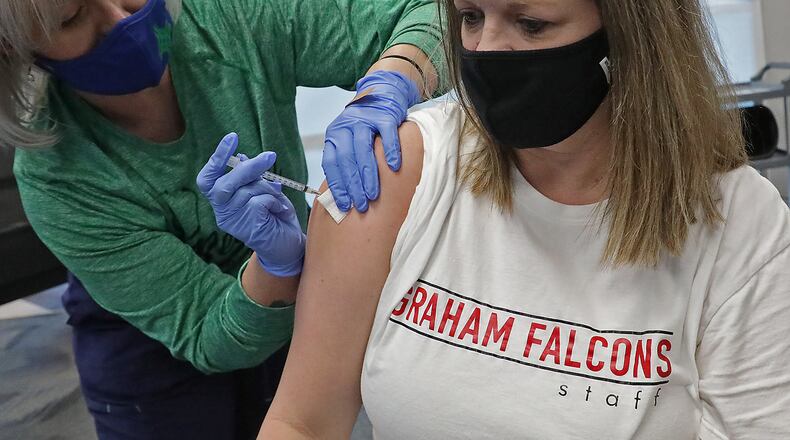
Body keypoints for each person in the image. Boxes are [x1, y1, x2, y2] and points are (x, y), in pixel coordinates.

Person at [258, 0, 790, 438]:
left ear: (630, 38)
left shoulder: (740, 224)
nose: (486, 49)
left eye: (531, 24)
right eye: (470, 16)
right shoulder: (395, 172)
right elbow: (301, 423)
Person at [4, 0, 444, 438]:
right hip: (154, 352)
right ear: (15, 49)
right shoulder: (57, 177)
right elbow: (205, 330)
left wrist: (391, 82)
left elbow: (434, 13)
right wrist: (276, 266)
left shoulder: (228, 16)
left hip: (292, 305)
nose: (122, 19)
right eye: (71, 19)